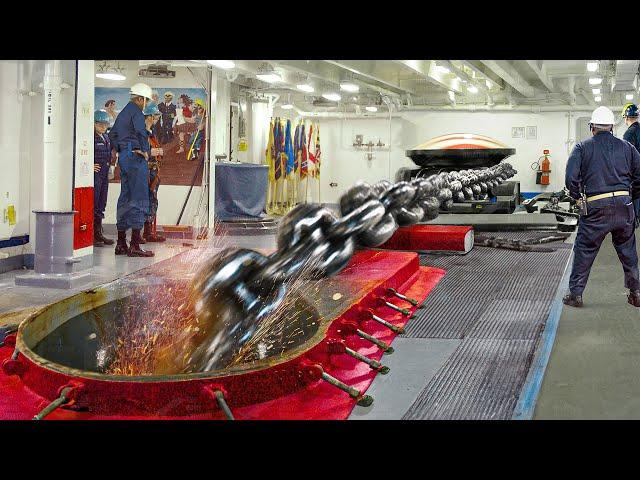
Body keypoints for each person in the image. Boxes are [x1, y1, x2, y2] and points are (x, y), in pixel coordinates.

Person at [563, 106, 640, 308]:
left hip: (597, 206)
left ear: (592, 127)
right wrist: (631, 199)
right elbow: (639, 177)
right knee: (628, 251)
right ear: (612, 127)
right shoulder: (628, 148)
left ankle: (576, 295)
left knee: (584, 249)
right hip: (624, 206)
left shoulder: (582, 148)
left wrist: (576, 197)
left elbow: (571, 178)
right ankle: (636, 293)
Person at [108, 82, 157, 257]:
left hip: (125, 159)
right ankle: (135, 245)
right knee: (139, 197)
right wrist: (142, 150)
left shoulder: (123, 114)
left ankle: (121, 243)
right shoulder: (136, 112)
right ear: (139, 98)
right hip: (136, 160)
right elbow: (141, 132)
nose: (146, 103)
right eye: (146, 100)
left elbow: (112, 134)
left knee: (125, 197)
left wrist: (122, 149)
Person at [142, 102, 166, 242]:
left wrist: (158, 152)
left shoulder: (151, 133)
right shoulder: (142, 133)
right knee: (145, 201)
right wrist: (151, 152)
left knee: (152, 201)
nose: (156, 119)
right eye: (155, 116)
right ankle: (144, 232)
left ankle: (148, 231)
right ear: (149, 116)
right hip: (145, 173)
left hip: (153, 173)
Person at [93, 110, 115, 247]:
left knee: (102, 203)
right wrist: (89, 165)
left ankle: (98, 233)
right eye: (100, 124)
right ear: (94, 124)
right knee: (94, 204)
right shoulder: (90, 138)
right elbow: (80, 153)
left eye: (105, 124)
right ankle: (92, 235)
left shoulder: (106, 138)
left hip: (104, 174)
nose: (103, 127)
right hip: (95, 175)